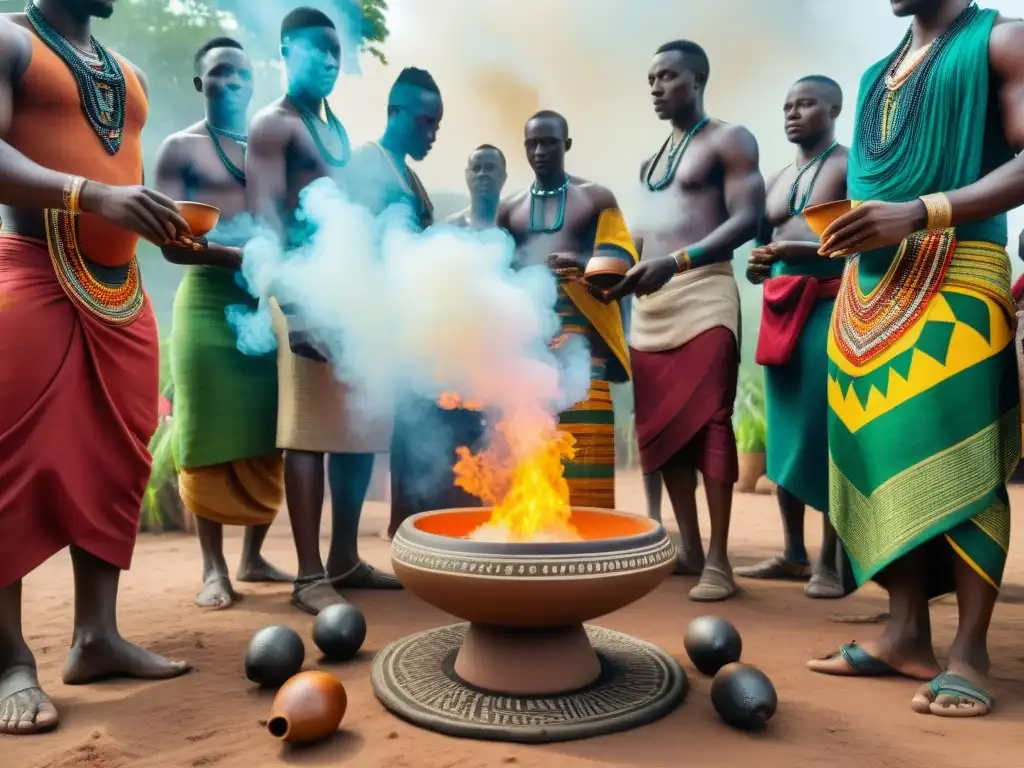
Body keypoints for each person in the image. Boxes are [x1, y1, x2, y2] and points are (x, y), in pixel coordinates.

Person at [807, 0, 1024, 719]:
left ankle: (969, 653)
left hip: (959, 272)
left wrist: (922, 211)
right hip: (866, 292)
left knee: (962, 456)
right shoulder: (875, 75)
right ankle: (904, 635)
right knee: (876, 452)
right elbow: (875, 193)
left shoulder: (1003, 42)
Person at [0, 0, 195, 735]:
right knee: (10, 464)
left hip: (123, 297)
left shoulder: (130, 75)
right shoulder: (9, 39)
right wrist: (94, 194)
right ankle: (10, 662)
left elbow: (125, 176)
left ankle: (96, 637)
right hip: (29, 280)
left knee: (118, 459)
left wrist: (166, 229)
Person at [247, 6, 399, 615]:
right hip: (301, 293)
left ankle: (343, 558)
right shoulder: (273, 123)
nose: (330, 63)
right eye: (316, 50)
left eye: (337, 54)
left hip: (348, 296)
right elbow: (265, 218)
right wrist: (297, 306)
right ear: (287, 51)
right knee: (309, 431)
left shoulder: (335, 128)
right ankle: (309, 574)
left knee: (358, 427)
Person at [606, 40, 765, 602]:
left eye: (668, 76)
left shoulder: (729, 139)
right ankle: (690, 547)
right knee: (666, 434)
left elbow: (749, 217)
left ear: (698, 78)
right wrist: (604, 276)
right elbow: (637, 244)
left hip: (704, 293)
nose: (656, 87)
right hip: (652, 309)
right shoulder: (648, 165)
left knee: (712, 422)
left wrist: (676, 262)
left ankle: (720, 559)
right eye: (651, 78)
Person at [154, 37, 292, 611]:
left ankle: (253, 555)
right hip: (208, 305)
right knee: (205, 435)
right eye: (219, 74)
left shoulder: (267, 149)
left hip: (264, 306)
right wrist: (237, 259)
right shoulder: (179, 149)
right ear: (199, 84)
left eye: (240, 75)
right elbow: (168, 242)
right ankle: (213, 568)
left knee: (268, 434)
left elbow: (287, 225)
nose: (231, 83)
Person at [737, 75, 850, 599]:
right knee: (783, 433)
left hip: (830, 306)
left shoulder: (852, 166)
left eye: (806, 104)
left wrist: (806, 256)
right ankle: (792, 552)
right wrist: (762, 268)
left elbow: (866, 240)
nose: (793, 113)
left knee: (824, 429)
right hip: (780, 310)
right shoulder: (778, 177)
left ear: (834, 107)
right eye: (787, 105)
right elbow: (767, 243)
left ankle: (833, 559)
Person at [498, 110, 637, 510]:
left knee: (587, 435)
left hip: (584, 337)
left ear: (567, 145)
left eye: (550, 142)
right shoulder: (510, 210)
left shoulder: (596, 197)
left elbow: (621, 257)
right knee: (527, 436)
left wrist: (582, 263)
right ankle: (536, 531)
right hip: (529, 341)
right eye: (532, 143)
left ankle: (591, 534)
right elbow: (499, 274)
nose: (540, 151)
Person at [338, 67, 447, 538]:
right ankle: (342, 550)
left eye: (437, 125)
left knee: (390, 435)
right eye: (426, 122)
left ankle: (406, 537)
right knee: (353, 438)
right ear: (394, 112)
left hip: (406, 329)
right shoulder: (364, 161)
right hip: (365, 324)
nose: (433, 134)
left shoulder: (413, 179)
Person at [448, 144, 506, 229]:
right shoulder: (451, 227)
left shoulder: (516, 229)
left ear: (503, 176)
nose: (482, 174)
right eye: (476, 168)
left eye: (490, 168)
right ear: (467, 176)